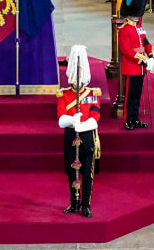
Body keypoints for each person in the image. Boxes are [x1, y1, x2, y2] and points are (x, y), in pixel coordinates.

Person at [57, 45, 100, 218]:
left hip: (87, 136)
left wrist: (81, 125)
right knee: (71, 171)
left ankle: (85, 204)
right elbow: (60, 119)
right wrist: (71, 120)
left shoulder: (92, 93)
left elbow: (96, 116)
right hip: (70, 136)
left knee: (87, 173)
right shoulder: (64, 94)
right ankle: (74, 202)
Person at [118, 0, 154, 130]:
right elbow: (126, 50)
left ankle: (136, 118)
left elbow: (145, 42)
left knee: (137, 97)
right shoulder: (124, 29)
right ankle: (128, 120)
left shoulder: (139, 27)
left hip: (140, 69)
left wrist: (151, 55)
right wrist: (143, 59)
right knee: (130, 97)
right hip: (132, 67)